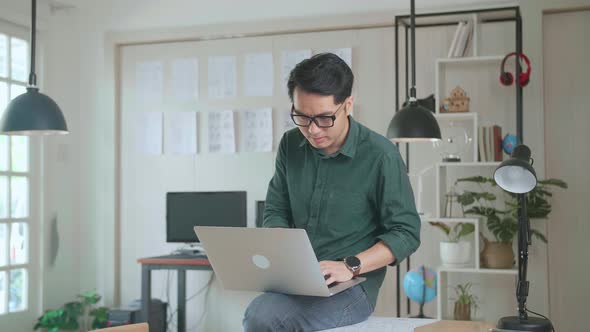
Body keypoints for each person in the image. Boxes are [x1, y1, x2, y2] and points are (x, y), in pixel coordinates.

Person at [242, 53, 421, 331]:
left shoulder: (381, 156)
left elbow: (406, 233)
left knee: (265, 318)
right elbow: (277, 209)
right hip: (296, 280)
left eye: (324, 118)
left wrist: (349, 266)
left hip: (352, 285)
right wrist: (280, 253)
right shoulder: (290, 144)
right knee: (258, 312)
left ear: (348, 105)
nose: (312, 130)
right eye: (301, 117)